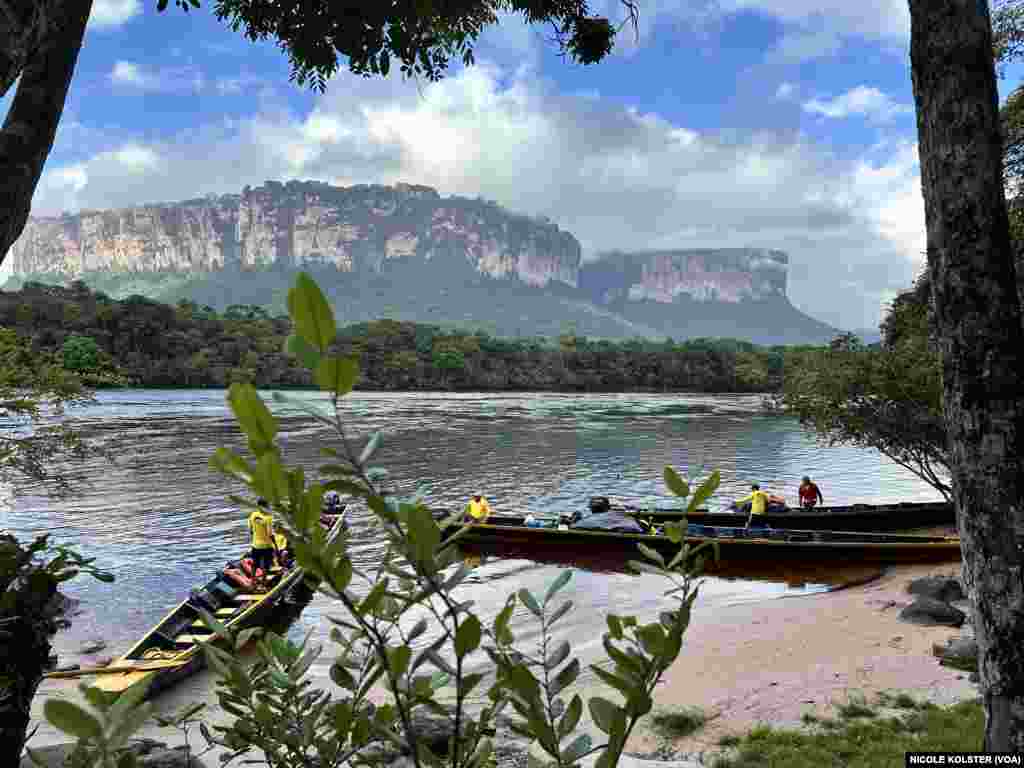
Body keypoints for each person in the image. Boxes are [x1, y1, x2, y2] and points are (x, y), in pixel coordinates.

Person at [248, 498, 275, 579]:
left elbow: (251, 530)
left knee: (255, 564)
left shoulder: (253, 515)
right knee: (266, 565)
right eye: (268, 505)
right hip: (266, 545)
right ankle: (264, 581)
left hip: (255, 545)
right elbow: (270, 533)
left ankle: (253, 580)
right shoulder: (268, 517)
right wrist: (275, 544)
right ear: (265, 506)